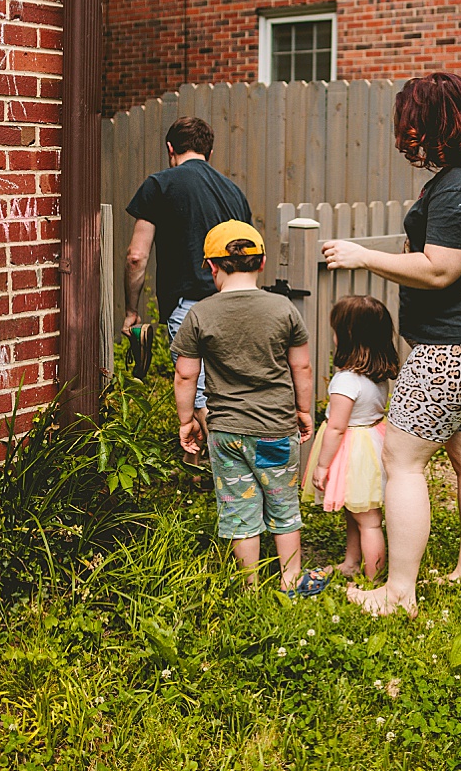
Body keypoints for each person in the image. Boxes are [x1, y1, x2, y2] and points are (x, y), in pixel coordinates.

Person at [320, 72, 461, 616]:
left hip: (457, 348)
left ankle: (398, 592)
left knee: (401, 461)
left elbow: (438, 269)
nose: (407, 136)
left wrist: (363, 255)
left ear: (436, 122)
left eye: (412, 125)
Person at [171, 220, 323, 594]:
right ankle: (290, 580)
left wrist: (186, 420)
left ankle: (249, 587)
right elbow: (301, 366)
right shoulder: (283, 308)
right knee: (283, 501)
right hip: (275, 428)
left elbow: (186, 376)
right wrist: (304, 412)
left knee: (240, 507)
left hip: (225, 433)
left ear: (211, 266)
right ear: (262, 262)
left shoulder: (200, 314)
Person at [123, 116, 252, 460]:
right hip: (235, 304)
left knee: (197, 398)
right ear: (209, 150)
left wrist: (132, 310)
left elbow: (137, 256)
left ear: (170, 149)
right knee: (227, 391)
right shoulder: (234, 192)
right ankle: (208, 468)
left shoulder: (160, 184)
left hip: (190, 306)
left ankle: (237, 478)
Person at [301, 295, 399, 581]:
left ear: (346, 337)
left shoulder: (346, 380)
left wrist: (321, 465)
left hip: (353, 451)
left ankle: (373, 579)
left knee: (368, 521)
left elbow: (336, 427)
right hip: (372, 441)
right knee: (357, 511)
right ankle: (351, 563)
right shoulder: (376, 374)